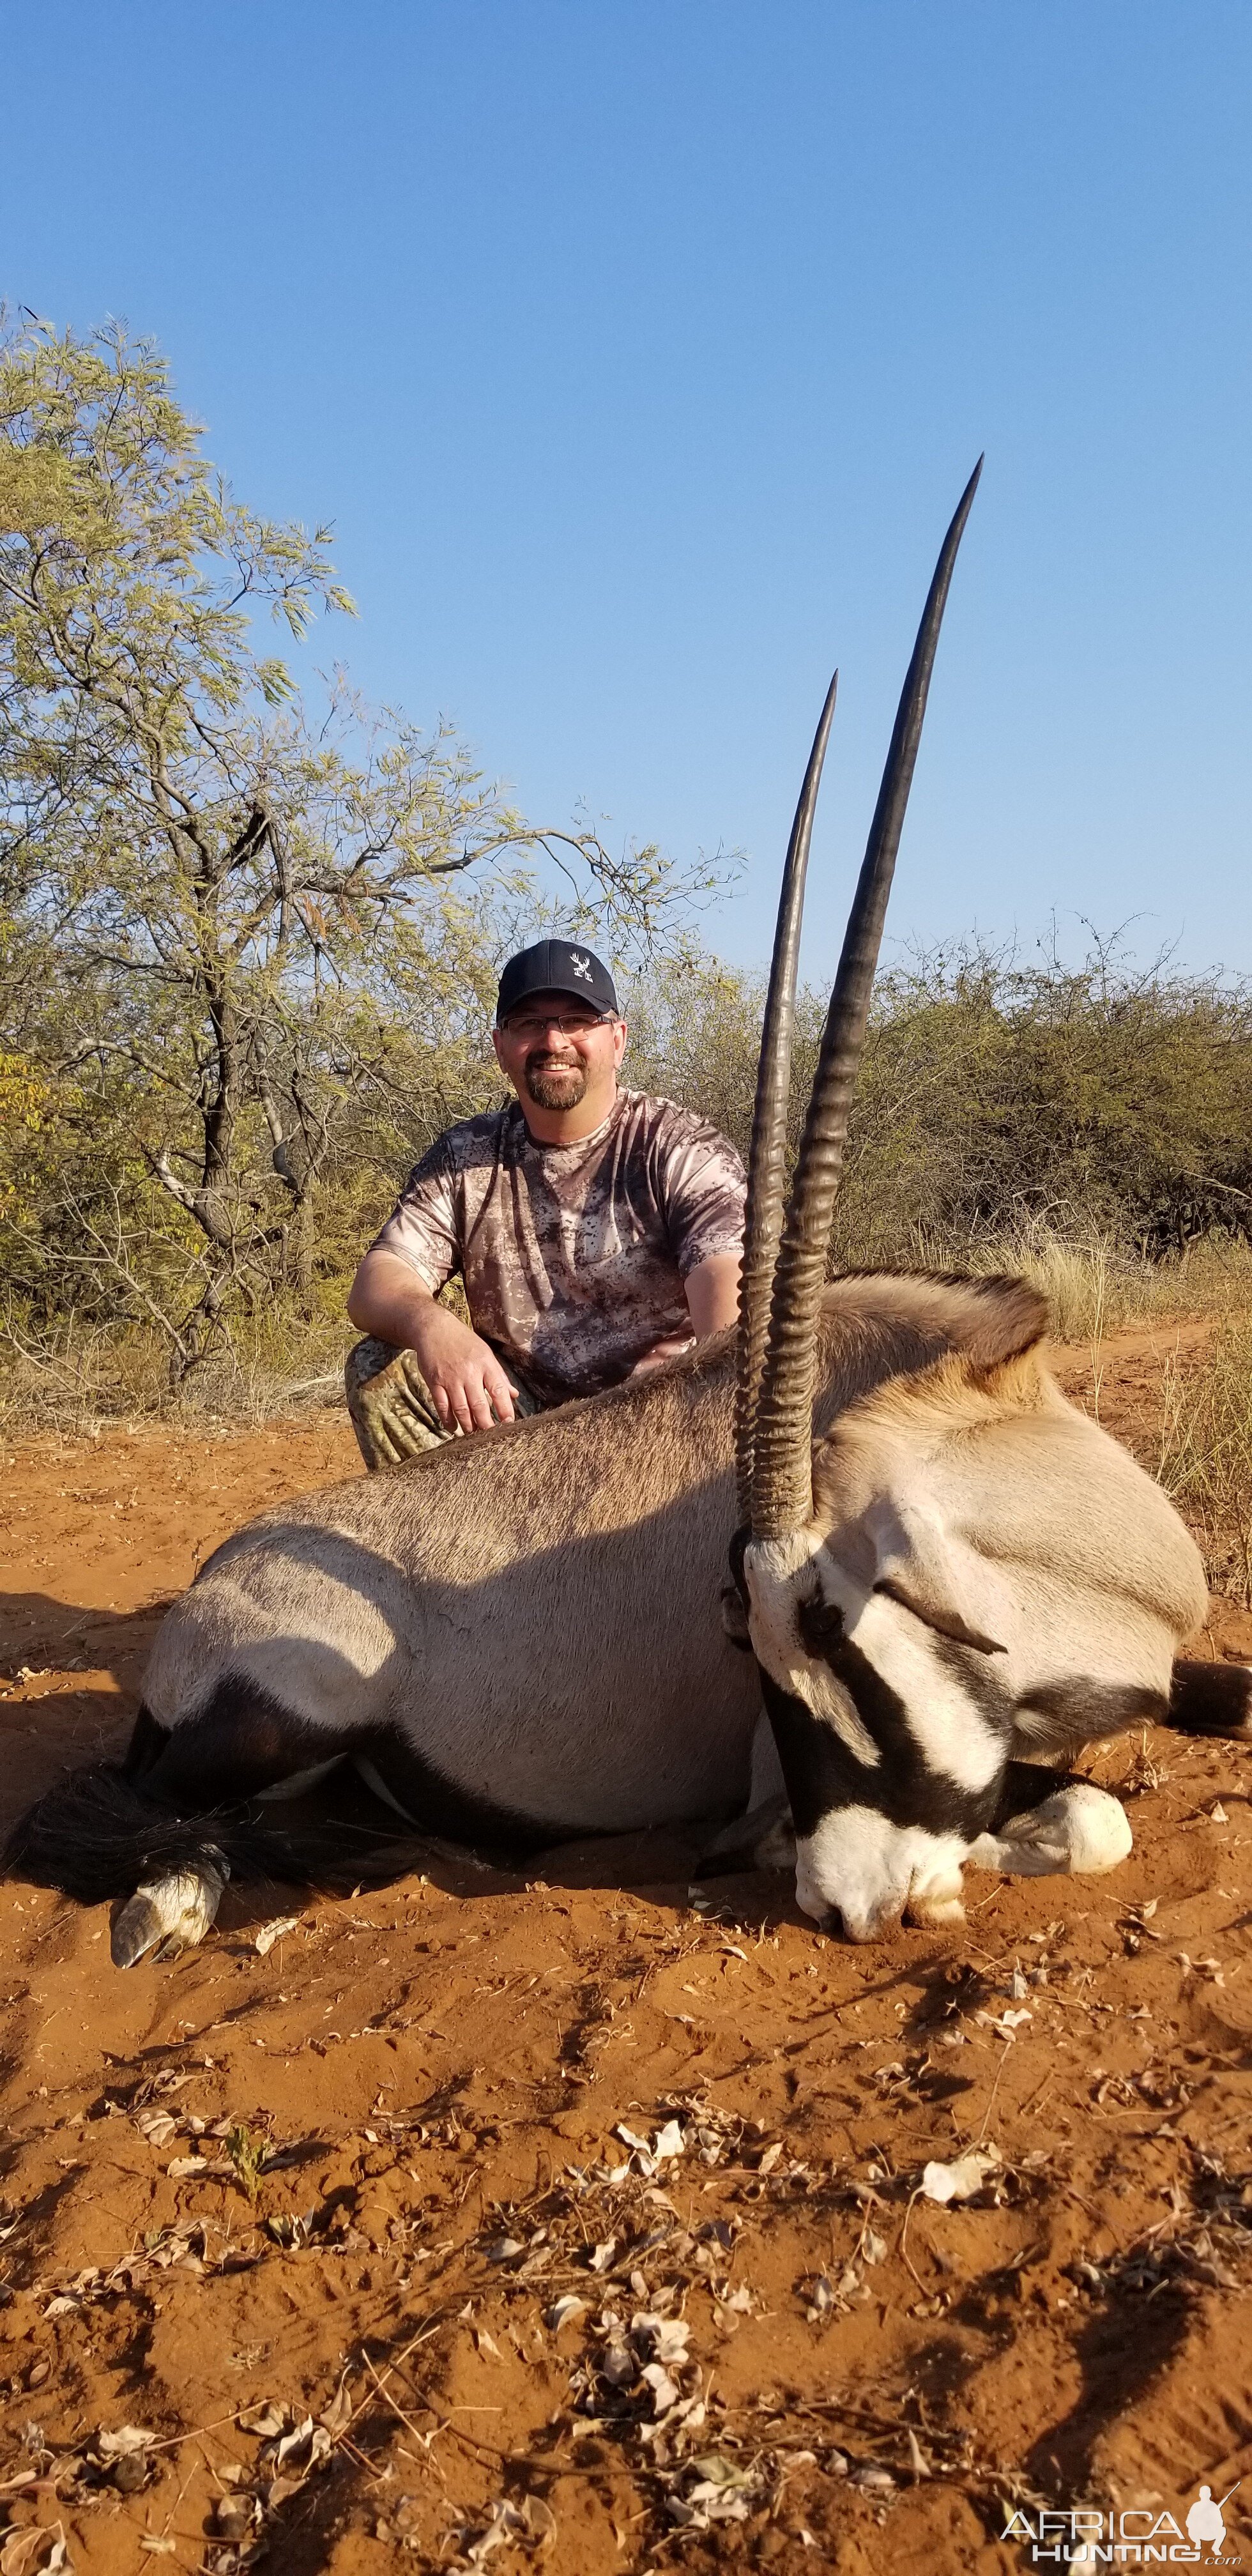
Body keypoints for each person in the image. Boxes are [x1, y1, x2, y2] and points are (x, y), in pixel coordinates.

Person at [344, 937, 747, 1467]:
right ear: (500, 1045)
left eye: (579, 1020)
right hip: (522, 1424)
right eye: (528, 1023)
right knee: (382, 1366)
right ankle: (469, 1547)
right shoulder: (466, 1155)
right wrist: (433, 1327)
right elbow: (377, 1283)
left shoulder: (680, 1147)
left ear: (618, 1039)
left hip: (656, 1428)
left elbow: (730, 1302)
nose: (554, 1040)